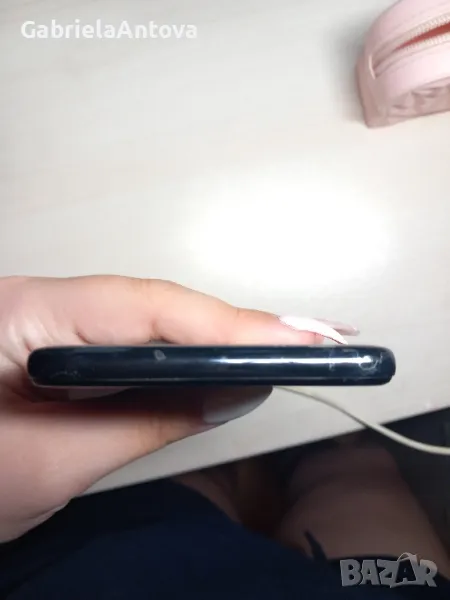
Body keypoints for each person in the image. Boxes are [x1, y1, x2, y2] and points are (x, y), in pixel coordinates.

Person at [0, 275, 448, 599]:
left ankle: (251, 472)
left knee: (169, 497)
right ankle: (320, 459)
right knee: (364, 479)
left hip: (104, 567)